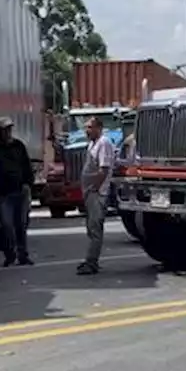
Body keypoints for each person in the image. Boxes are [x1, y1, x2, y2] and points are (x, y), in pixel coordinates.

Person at [0, 116, 34, 267]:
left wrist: (28, 184)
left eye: (10, 129)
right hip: (3, 193)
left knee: (21, 224)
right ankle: (10, 255)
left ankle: (23, 255)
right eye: (5, 130)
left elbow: (26, 166)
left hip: (20, 190)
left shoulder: (18, 145)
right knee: (7, 226)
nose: (8, 132)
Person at [78, 116, 116, 275]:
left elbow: (104, 169)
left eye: (90, 127)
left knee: (95, 228)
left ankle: (91, 262)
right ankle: (90, 259)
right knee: (91, 227)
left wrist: (95, 188)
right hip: (90, 192)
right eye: (86, 127)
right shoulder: (92, 145)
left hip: (97, 193)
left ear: (98, 128)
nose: (87, 131)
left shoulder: (103, 143)